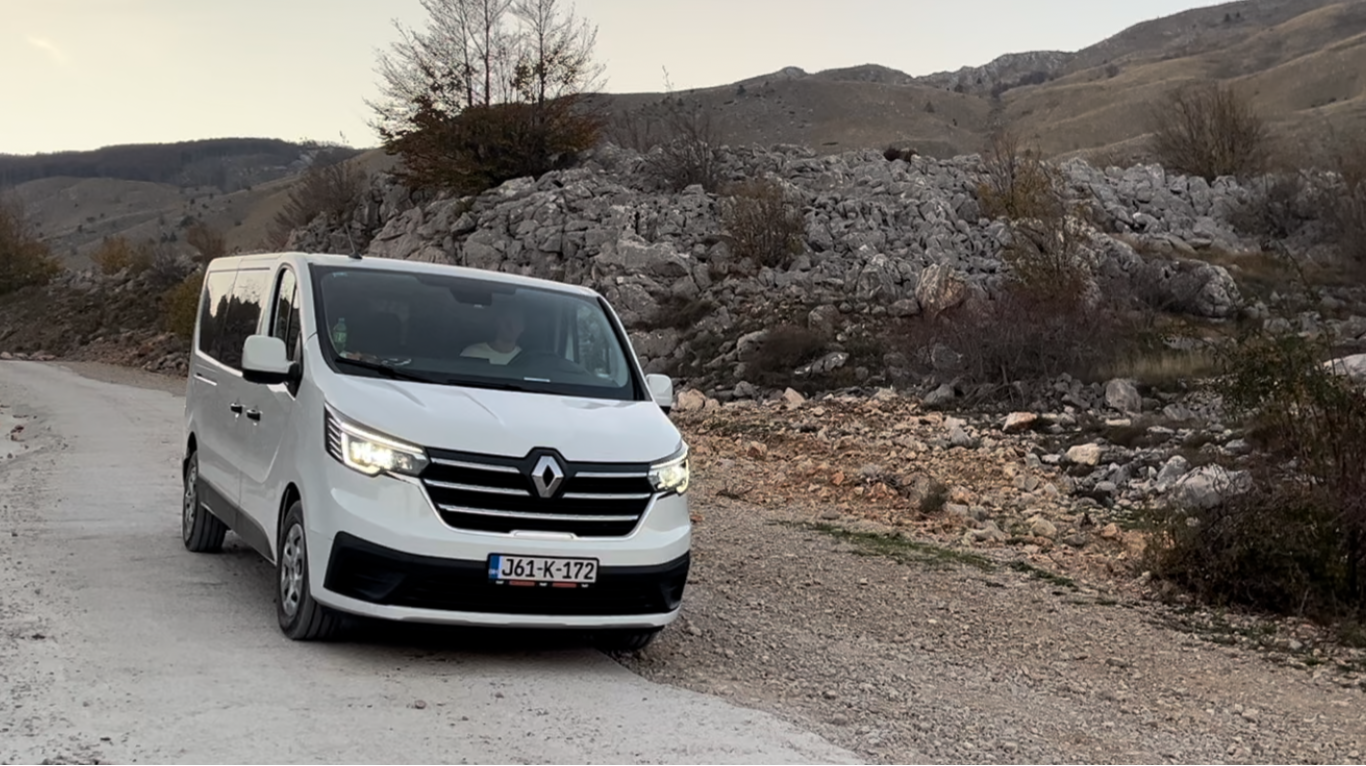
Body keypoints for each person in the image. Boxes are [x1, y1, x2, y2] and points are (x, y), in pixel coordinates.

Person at [461, 302, 525, 365]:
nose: (512, 327)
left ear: (523, 327)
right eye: (507, 322)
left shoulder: (525, 359)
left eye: (516, 322)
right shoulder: (472, 354)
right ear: (497, 323)